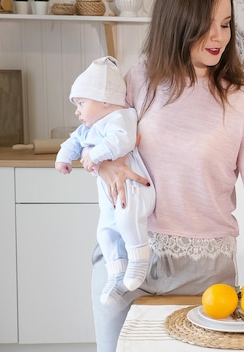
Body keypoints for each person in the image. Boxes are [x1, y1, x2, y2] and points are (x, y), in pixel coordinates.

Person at [91, 1, 244, 351]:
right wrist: (104, 163)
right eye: (206, 25)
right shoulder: (138, 79)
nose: (218, 37)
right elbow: (93, 130)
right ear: (177, 22)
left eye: (225, 24)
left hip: (205, 275)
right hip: (125, 260)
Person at [55, 56, 155, 306]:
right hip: (109, 193)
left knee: (126, 219)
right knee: (106, 230)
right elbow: (73, 141)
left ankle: (139, 260)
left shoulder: (121, 117)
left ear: (103, 100)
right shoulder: (88, 127)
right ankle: (116, 273)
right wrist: (63, 157)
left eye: (81, 102)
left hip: (132, 189)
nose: (77, 110)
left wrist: (94, 154)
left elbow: (122, 140)